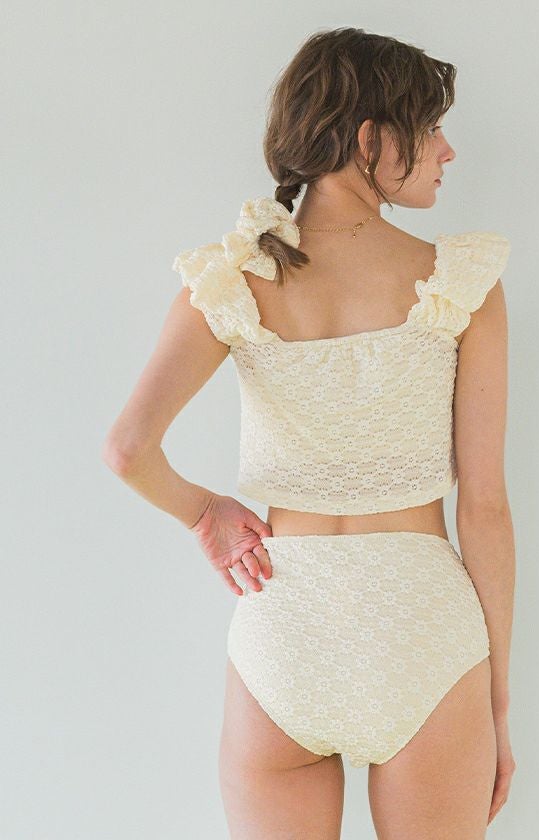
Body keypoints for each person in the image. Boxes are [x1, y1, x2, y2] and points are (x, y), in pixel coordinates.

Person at [103, 26, 516, 840]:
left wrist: (203, 513)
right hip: (423, 631)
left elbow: (127, 450)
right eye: (430, 126)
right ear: (369, 139)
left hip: (285, 630)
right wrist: (498, 699)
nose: (448, 151)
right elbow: (486, 509)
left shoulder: (231, 282)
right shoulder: (461, 284)